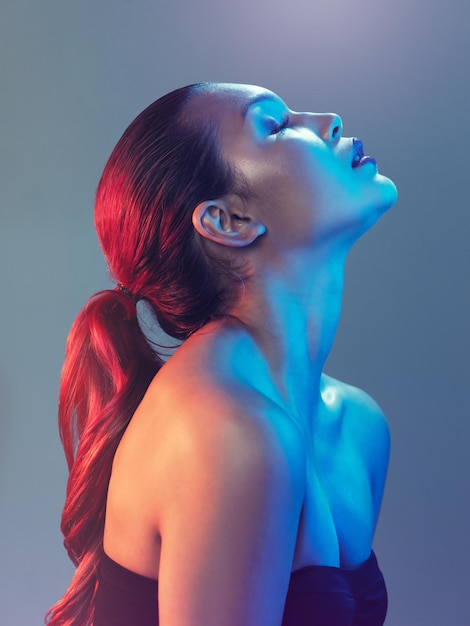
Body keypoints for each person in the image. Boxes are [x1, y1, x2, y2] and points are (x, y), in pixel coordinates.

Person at [46, 82, 397, 626]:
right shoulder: (226, 429)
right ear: (227, 221)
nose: (327, 118)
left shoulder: (357, 425)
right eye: (274, 125)